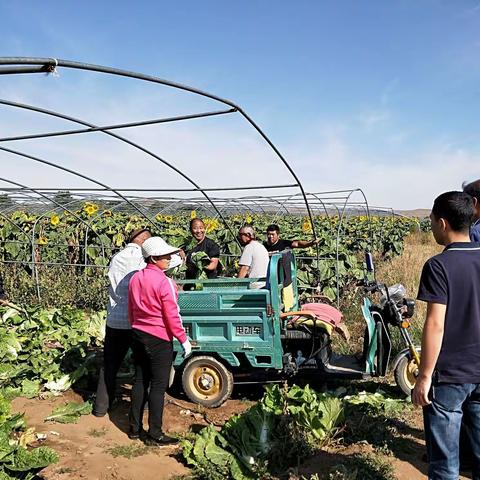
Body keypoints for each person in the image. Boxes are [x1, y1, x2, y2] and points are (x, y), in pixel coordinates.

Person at [412, 191, 480, 479]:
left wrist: (424, 376)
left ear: (442, 223)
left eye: (430, 219)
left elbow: (435, 324)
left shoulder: (439, 265)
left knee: (445, 465)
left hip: (451, 374)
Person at [128, 236, 191, 446]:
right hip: (159, 338)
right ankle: (155, 433)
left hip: (138, 334)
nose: (169, 258)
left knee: (140, 380)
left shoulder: (135, 278)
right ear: (154, 258)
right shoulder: (165, 282)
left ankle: (134, 429)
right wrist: (183, 339)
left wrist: (136, 327)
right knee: (158, 386)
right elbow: (172, 315)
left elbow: (131, 309)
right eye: (165, 256)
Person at [93, 228, 151, 417]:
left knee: (110, 363)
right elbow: (171, 262)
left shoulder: (117, 258)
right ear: (144, 241)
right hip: (137, 320)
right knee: (143, 364)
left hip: (115, 319)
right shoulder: (143, 259)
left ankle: (101, 407)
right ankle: (145, 404)